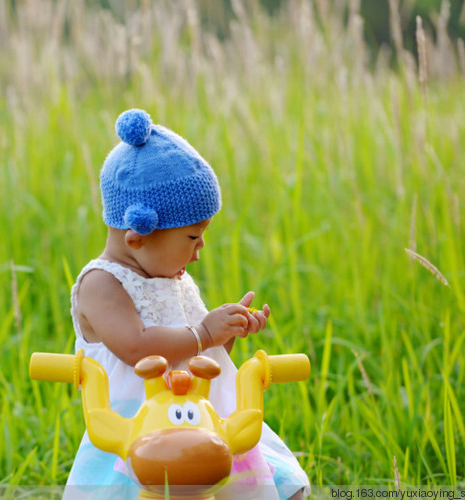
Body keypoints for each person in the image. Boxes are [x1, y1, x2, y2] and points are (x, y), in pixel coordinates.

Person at [65, 109, 309, 500]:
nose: (200, 250)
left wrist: (224, 333)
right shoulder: (101, 285)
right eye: (192, 237)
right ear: (137, 237)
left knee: (280, 486)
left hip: (207, 426)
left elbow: (197, 355)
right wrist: (204, 332)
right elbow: (138, 347)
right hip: (139, 441)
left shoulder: (173, 277)